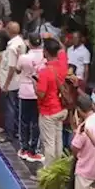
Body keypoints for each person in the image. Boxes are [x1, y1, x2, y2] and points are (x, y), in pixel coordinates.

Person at [35, 38, 70, 167]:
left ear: (45, 52)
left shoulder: (44, 72)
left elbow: (41, 94)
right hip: (61, 109)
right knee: (58, 142)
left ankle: (48, 172)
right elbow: (62, 50)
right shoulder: (62, 64)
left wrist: (35, 85)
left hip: (48, 111)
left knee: (49, 144)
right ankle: (58, 168)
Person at [14, 34, 44, 160]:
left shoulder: (23, 57)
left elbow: (17, 70)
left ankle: (24, 148)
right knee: (36, 121)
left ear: (29, 43)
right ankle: (33, 149)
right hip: (39, 91)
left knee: (24, 120)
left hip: (25, 91)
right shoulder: (44, 57)